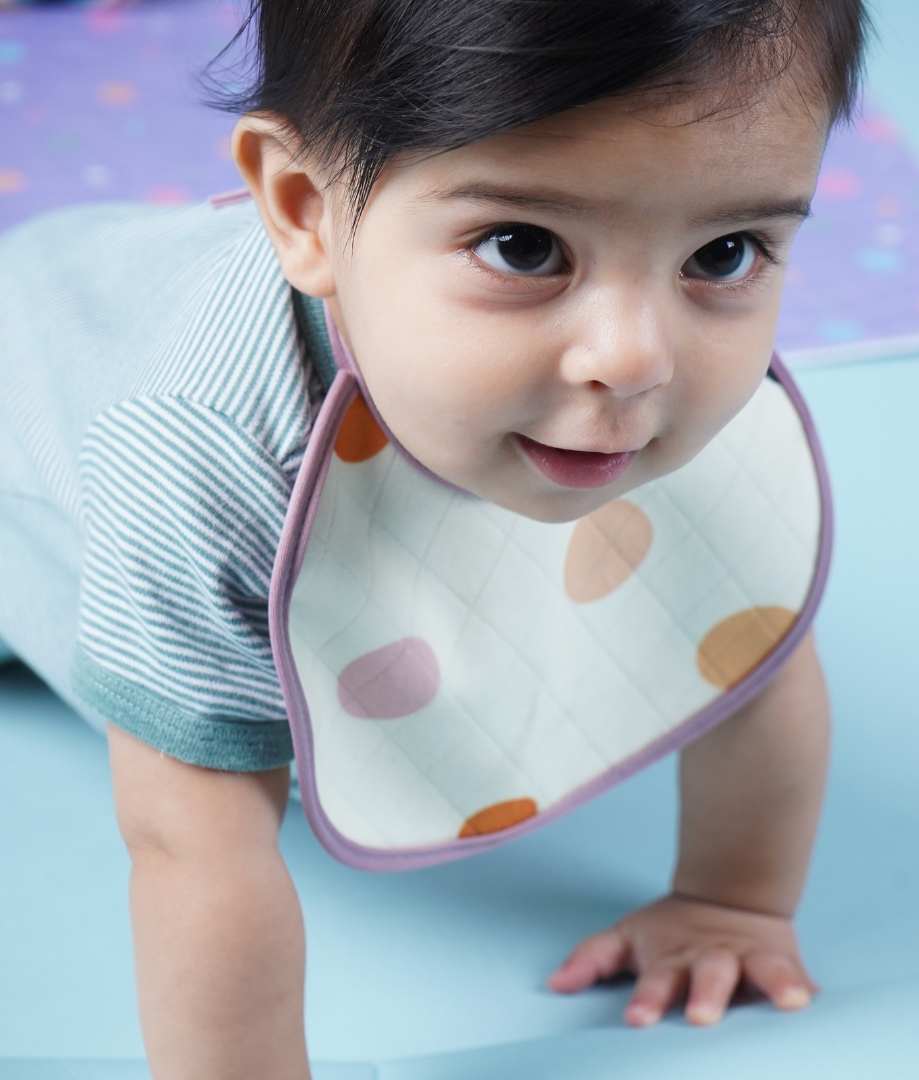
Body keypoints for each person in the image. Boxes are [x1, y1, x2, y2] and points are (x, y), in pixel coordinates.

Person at [0, 0, 870, 1075]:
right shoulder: (198, 448)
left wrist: (731, 901)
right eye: (524, 247)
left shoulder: (653, 378)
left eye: (727, 253)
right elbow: (192, 842)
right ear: (306, 209)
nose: (636, 359)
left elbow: (754, 637)